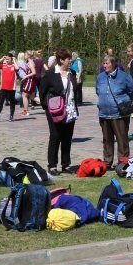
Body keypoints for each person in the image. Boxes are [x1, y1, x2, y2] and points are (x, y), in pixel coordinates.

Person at [38, 48, 79, 176]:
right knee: (55, 136)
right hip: (55, 110)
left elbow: (74, 91)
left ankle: (66, 164)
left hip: (70, 109)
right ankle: (52, 165)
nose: (70, 61)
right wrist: (47, 107)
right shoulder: (51, 73)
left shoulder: (72, 72)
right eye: (68, 59)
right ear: (61, 60)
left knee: (67, 137)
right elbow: (42, 92)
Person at [95, 53, 133, 169]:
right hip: (104, 113)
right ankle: (107, 162)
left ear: (113, 64)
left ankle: (123, 162)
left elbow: (132, 91)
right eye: (104, 63)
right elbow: (97, 90)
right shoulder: (100, 77)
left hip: (119, 114)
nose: (104, 65)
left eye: (106, 63)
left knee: (122, 139)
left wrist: (123, 100)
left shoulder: (124, 76)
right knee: (107, 140)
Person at [0, 53, 18, 121]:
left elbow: (17, 68)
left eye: (8, 59)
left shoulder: (14, 66)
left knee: (12, 102)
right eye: (6, 59)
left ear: (11, 59)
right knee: (1, 102)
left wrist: (14, 60)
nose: (7, 60)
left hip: (12, 88)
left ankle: (11, 116)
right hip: (4, 87)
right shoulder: (3, 65)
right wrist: (2, 58)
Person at [16, 51, 35, 116]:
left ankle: (26, 111)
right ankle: (47, 104)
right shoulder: (28, 62)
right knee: (32, 97)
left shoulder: (30, 62)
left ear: (28, 55)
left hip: (29, 81)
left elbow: (34, 72)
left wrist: (26, 76)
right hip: (29, 81)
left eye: (25, 54)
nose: (24, 56)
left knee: (24, 95)